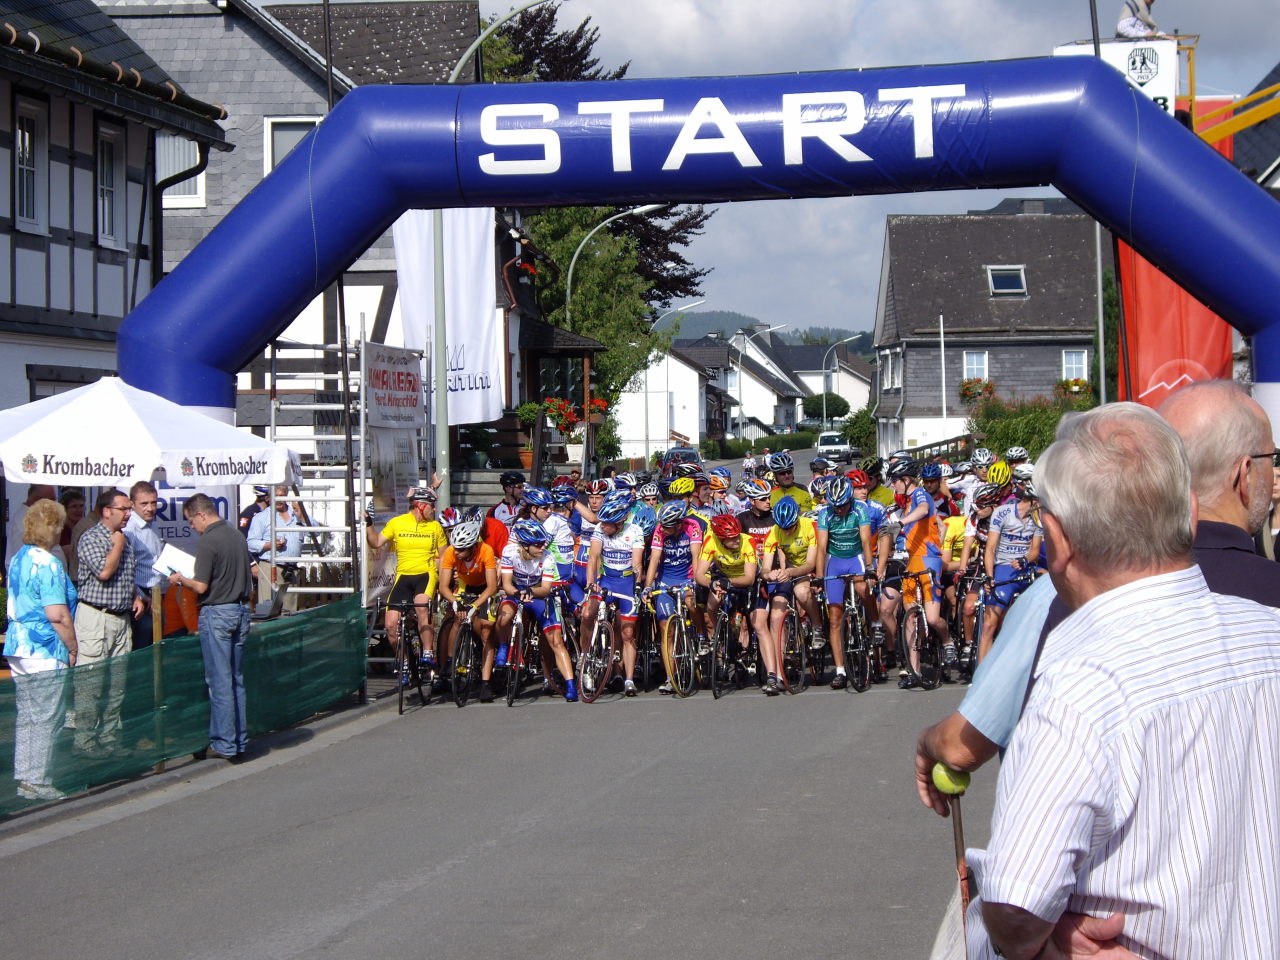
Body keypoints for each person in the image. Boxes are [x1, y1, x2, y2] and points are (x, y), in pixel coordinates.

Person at [964, 403, 1280, 960]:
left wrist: (1047, 941)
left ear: (1056, 540)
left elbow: (1016, 907)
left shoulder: (1079, 685)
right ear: (1190, 513)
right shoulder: (1270, 630)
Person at [168, 493, 254, 761]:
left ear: (201, 515)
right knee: (235, 679)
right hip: (240, 610)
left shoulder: (208, 541)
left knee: (219, 681)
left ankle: (224, 743)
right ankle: (238, 740)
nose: (191, 526)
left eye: (191, 520)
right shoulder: (236, 535)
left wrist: (181, 579)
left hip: (218, 612)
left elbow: (201, 586)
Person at [5, 499, 77, 801]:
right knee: (48, 717)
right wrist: (72, 647)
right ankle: (39, 780)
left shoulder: (19, 558)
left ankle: (26, 777)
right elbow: (57, 615)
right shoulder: (48, 563)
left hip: (19, 645)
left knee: (28, 715)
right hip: (44, 646)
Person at [72, 489, 142, 759]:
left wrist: (136, 595)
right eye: (124, 509)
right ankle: (85, 742)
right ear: (106, 511)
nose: (128, 514)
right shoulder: (92, 538)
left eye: (129, 509)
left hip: (121, 618)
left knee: (117, 686)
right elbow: (104, 572)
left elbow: (126, 575)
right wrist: (118, 544)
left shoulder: (124, 538)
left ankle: (109, 738)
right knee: (90, 684)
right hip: (96, 618)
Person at [365, 487, 447, 678]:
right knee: (390, 625)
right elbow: (376, 542)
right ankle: (404, 662)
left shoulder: (435, 527)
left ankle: (428, 653)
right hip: (403, 576)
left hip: (426, 574)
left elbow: (444, 557)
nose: (434, 509)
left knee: (421, 607)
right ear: (421, 506)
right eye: (432, 506)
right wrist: (369, 524)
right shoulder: (397, 523)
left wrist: (442, 583)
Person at [246, 485, 304, 614]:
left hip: (291, 571)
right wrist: (270, 545)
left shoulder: (296, 514)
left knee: (290, 612)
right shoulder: (261, 517)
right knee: (268, 610)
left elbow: (315, 532)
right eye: (276, 496)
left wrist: (302, 517)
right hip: (270, 568)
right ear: (269, 498)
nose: (279, 499)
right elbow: (250, 543)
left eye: (282, 496)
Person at [124, 481, 165, 649]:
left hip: (156, 593)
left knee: (155, 645)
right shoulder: (130, 530)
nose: (150, 508)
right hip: (141, 596)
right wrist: (139, 595)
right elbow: (125, 568)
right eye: (144, 504)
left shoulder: (152, 525)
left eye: (153, 503)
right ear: (132, 504)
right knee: (143, 647)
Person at [6, 484, 55, 568]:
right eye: (51, 500)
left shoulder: (34, 518)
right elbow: (23, 559)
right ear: (37, 500)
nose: (54, 505)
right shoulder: (23, 523)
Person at [56, 488, 86, 571]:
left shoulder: (84, 528)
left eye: (81, 506)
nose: (79, 510)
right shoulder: (60, 530)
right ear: (65, 509)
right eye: (74, 506)